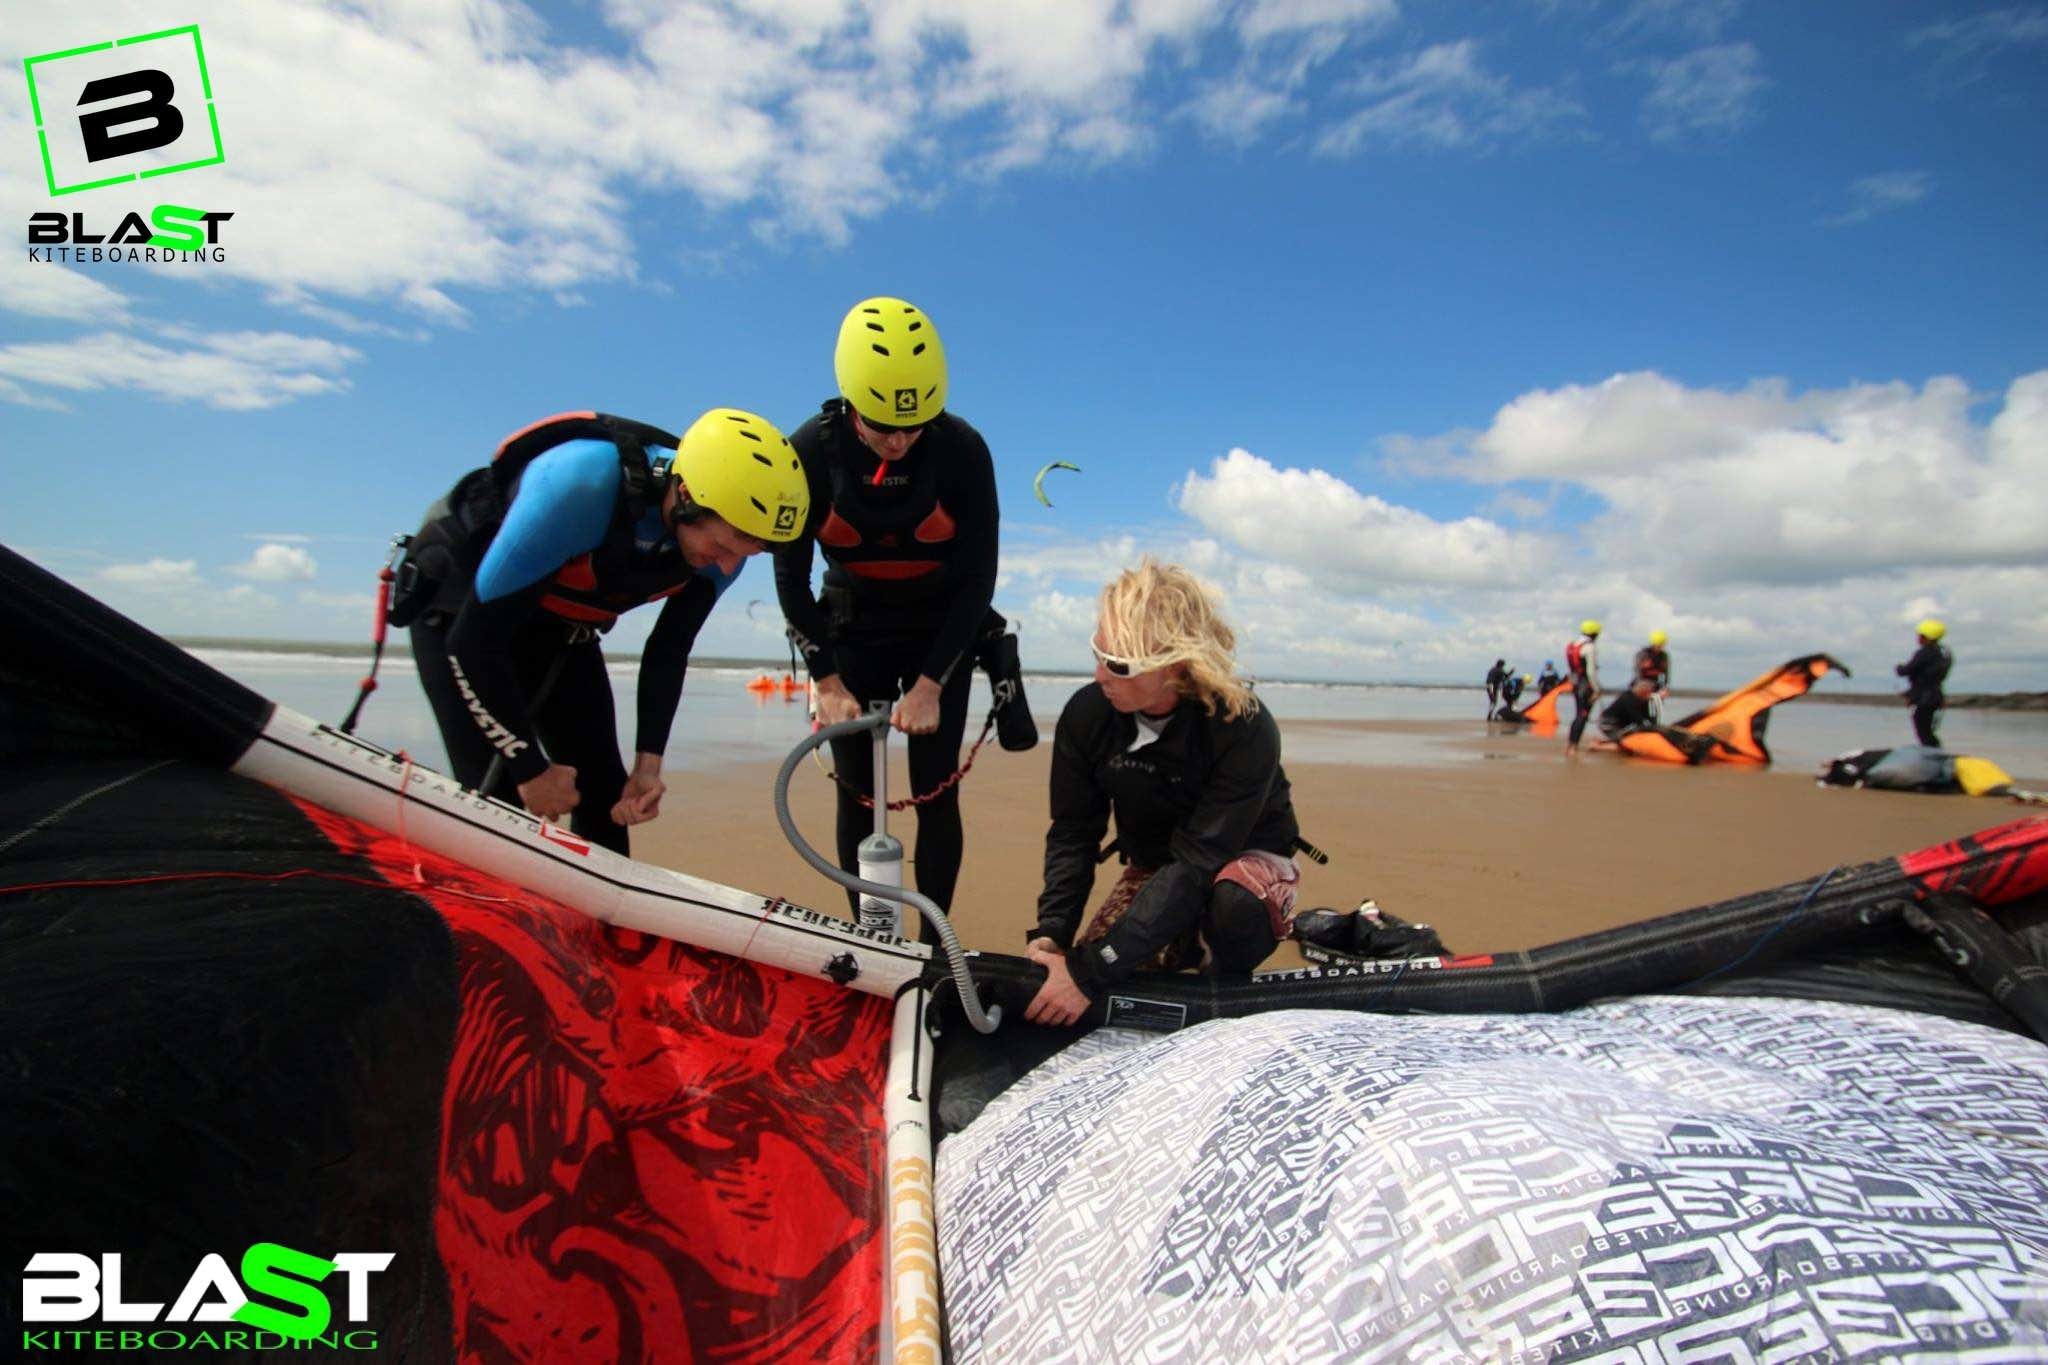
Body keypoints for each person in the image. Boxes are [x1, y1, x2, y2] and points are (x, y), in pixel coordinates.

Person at [402, 409, 808, 855]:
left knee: (607, 800)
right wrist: (530, 769)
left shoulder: (727, 540)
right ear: (687, 495)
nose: (727, 566)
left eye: (746, 554)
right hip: (461, 620)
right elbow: (472, 644)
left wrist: (648, 765)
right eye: (723, 546)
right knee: (499, 807)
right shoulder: (581, 484)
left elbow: (669, 650)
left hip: (558, 630)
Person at [775, 296, 1033, 920]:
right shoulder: (811, 448)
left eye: (913, 427)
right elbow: (789, 575)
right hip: (851, 631)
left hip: (938, 631)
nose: (897, 441)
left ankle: (933, 943)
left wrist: (930, 685)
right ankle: (871, 932)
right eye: (881, 424)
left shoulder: (963, 450)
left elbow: (979, 581)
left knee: (935, 796)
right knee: (857, 798)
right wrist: (827, 680)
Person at [1022, 561, 1303, 1026]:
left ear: (1173, 665)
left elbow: (1199, 863)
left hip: (1241, 864)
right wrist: (1053, 932)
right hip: (1155, 866)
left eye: (1116, 665)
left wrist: (1092, 970)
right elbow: (1074, 832)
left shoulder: (1244, 725)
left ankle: (1222, 978)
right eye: (1097, 652)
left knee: (1232, 904)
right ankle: (1180, 945)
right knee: (1102, 982)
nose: (1098, 675)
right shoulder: (1087, 716)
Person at [1896, 619, 1953, 748]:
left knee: (1923, 730)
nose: (1918, 638)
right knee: (1927, 730)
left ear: (1926, 637)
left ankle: (1934, 755)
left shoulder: (1925, 653)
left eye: (1920, 635)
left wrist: (1899, 668)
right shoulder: (1943, 653)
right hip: (1935, 696)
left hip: (1924, 698)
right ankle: (1934, 752)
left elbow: (1908, 669)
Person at [1565, 619, 1602, 754]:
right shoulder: (1589, 647)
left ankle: (1570, 745)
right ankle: (1573, 747)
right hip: (1586, 686)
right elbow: (1591, 671)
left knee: (1579, 714)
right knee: (1583, 715)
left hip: (1576, 684)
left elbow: (1572, 670)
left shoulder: (1572, 645)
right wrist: (1597, 690)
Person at [1599, 676, 1658, 741]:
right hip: (1608, 723)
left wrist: (1650, 703)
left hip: (1620, 725)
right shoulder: (1628, 698)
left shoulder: (1641, 700)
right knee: (1623, 741)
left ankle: (1607, 740)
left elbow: (1649, 717)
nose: (1650, 694)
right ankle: (1600, 744)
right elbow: (1636, 717)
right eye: (1649, 692)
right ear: (1642, 689)